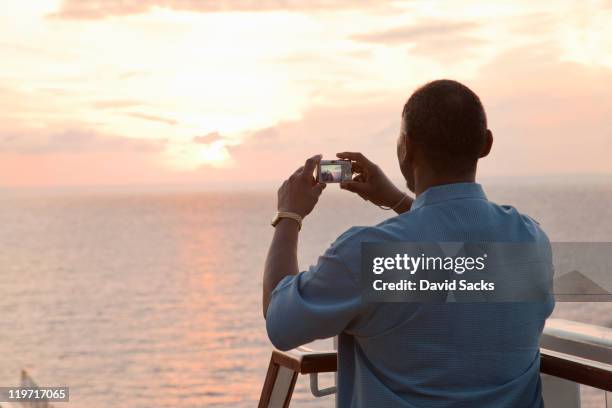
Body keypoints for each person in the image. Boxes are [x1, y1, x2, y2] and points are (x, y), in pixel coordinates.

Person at [263, 79, 554, 407]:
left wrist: (289, 216)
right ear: (486, 144)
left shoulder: (368, 256)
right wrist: (400, 200)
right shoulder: (532, 243)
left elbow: (280, 321)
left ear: (407, 149)